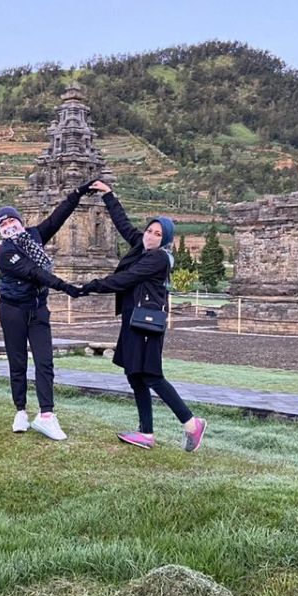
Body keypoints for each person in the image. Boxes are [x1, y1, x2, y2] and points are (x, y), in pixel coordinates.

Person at [80, 181, 206, 451]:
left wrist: (90, 286)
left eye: (157, 234)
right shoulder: (142, 247)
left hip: (146, 325)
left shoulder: (158, 258)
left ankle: (192, 424)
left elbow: (126, 279)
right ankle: (146, 433)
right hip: (132, 321)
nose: (149, 236)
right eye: (149, 230)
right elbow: (123, 224)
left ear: (165, 240)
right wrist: (108, 194)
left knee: (151, 375)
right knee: (134, 375)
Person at [0, 181, 94, 441]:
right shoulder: (5, 252)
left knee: (44, 361)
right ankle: (20, 411)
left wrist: (79, 192)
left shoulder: (35, 237)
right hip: (12, 310)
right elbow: (34, 272)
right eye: (3, 225)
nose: (8, 226)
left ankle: (47, 415)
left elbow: (59, 217)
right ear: (0, 230)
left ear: (20, 221)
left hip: (37, 310)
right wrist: (66, 286)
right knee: (18, 362)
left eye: (11, 221)